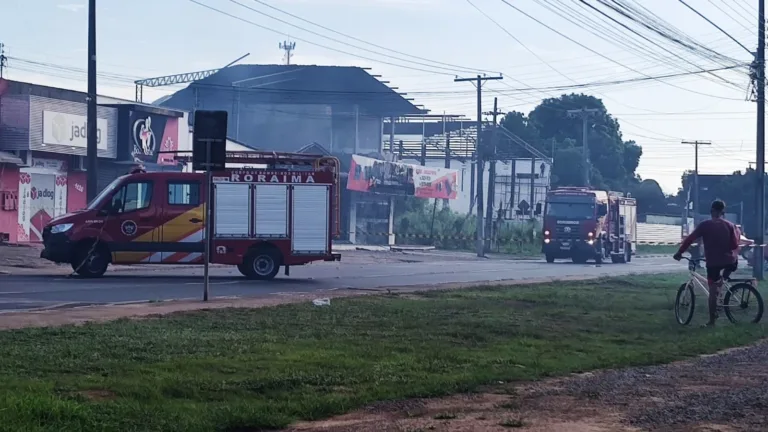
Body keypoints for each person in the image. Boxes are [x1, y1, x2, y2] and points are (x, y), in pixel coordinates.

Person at [673, 199, 739, 327]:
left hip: (713, 263)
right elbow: (734, 245)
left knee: (712, 290)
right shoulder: (730, 225)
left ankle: (711, 321)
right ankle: (721, 285)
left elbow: (690, 239)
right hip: (730, 262)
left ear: (711, 211)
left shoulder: (705, 225)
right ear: (723, 212)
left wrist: (679, 253)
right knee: (720, 281)